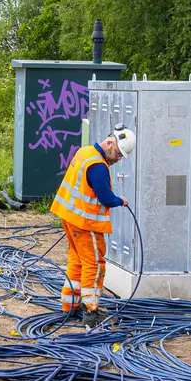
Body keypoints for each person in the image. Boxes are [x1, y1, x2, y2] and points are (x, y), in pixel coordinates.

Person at [48, 127, 136, 327]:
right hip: (85, 222)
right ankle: (91, 311)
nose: (118, 159)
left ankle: (69, 305)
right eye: (118, 154)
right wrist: (120, 200)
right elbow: (105, 198)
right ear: (110, 143)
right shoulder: (98, 165)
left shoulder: (84, 152)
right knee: (94, 265)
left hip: (69, 217)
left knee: (77, 260)